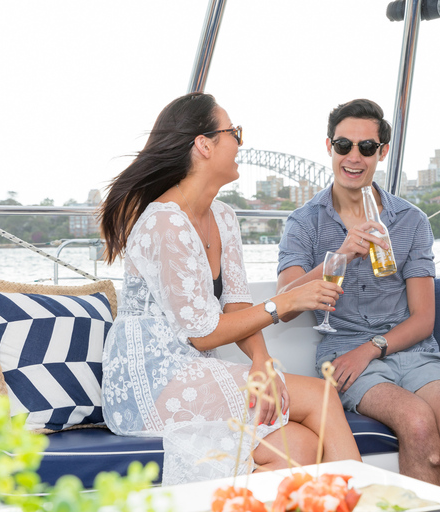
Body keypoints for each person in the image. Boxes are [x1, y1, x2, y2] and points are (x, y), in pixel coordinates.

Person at [98, 92, 360, 481]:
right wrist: (285, 302)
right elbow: (203, 335)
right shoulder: (165, 222)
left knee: (302, 446)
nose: (240, 141)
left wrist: (262, 361)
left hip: (190, 367)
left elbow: (236, 307)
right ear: (204, 145)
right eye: (233, 132)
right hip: (150, 381)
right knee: (321, 396)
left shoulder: (223, 215)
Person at [277, 99, 440, 498]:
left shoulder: (410, 220)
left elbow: (424, 319)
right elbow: (284, 305)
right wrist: (339, 255)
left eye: (367, 147)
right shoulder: (304, 222)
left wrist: (372, 349)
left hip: (410, 350)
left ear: (383, 152)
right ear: (329, 146)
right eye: (344, 146)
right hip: (343, 353)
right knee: (417, 421)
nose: (354, 157)